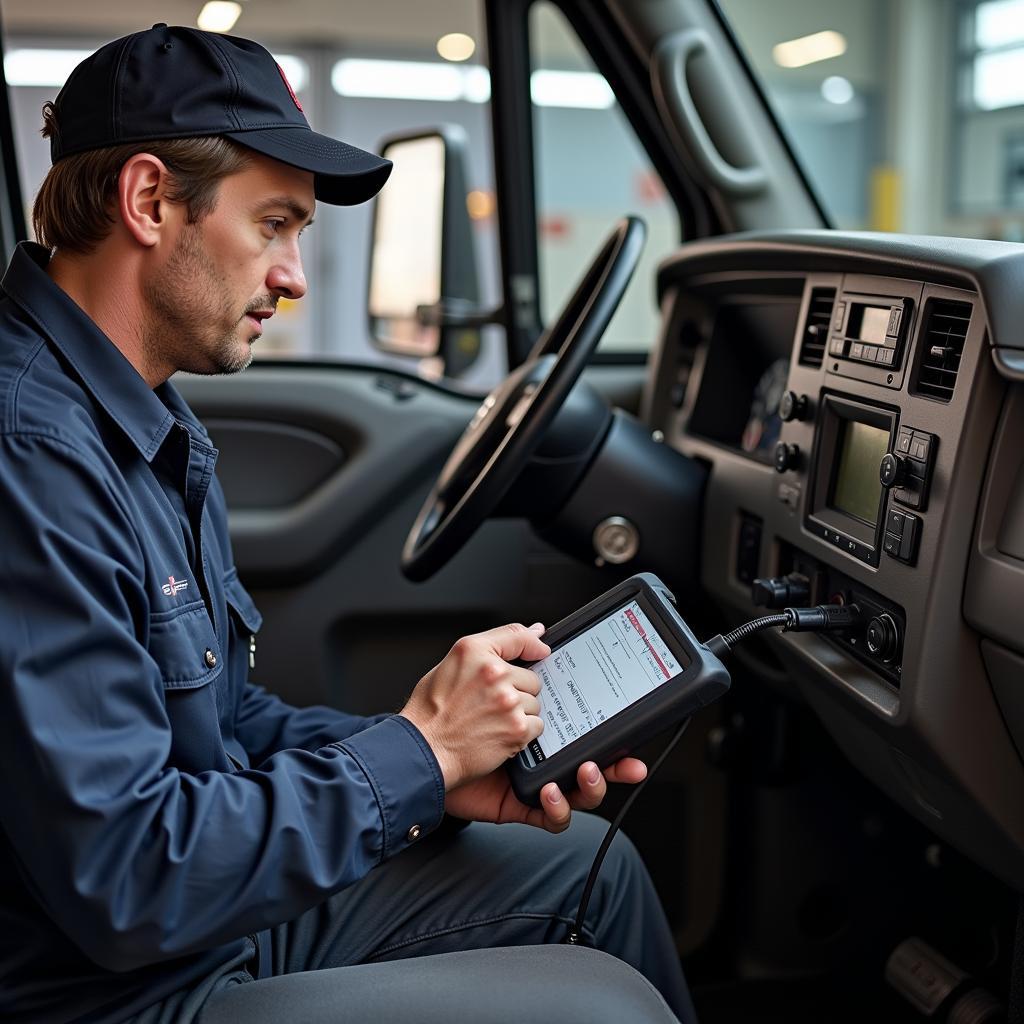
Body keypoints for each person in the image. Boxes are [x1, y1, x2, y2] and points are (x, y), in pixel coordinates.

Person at [0, 25, 695, 1024]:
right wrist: (416, 754)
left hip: (191, 930)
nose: (293, 276)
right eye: (273, 225)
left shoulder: (143, 420)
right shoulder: (32, 454)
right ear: (149, 200)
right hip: (108, 991)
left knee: (592, 867)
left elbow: (223, 727)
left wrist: (446, 764)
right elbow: (128, 875)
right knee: (597, 1008)